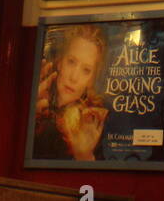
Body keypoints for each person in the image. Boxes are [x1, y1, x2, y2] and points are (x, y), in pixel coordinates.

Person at [33, 24, 109, 161]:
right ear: (60, 62)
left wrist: (84, 155)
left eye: (86, 70)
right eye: (71, 62)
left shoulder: (92, 126)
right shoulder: (36, 99)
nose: (74, 77)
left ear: (91, 81)